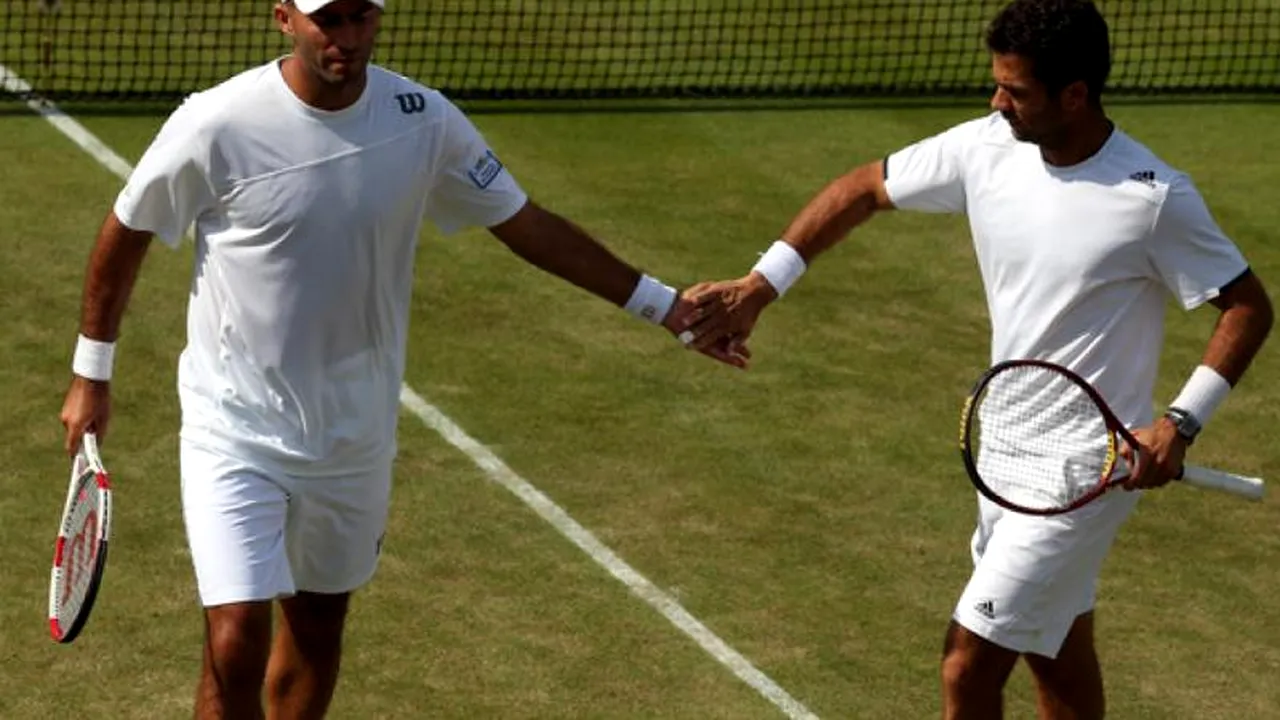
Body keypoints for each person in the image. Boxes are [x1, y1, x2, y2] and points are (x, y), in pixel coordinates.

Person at [57, 1, 746, 717]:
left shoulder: (423, 119)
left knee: (319, 623)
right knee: (234, 640)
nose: (347, 38)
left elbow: (526, 224)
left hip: (355, 436)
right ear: (284, 19)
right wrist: (91, 373)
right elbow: (126, 230)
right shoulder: (216, 123)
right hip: (233, 430)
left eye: (361, 17)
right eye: (330, 20)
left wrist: (663, 306)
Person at [678, 1, 1273, 718]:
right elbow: (863, 187)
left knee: (966, 668)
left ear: (1075, 95)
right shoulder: (987, 146)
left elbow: (1247, 306)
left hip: (1082, 471)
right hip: (1001, 454)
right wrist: (759, 286)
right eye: (998, 85)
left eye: (1016, 91)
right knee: (1056, 655)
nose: (998, 102)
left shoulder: (1152, 198)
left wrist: (1179, 422)